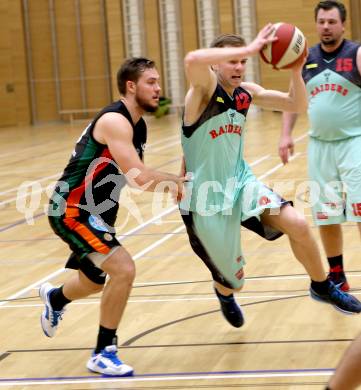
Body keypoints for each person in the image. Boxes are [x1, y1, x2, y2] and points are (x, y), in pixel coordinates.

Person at [179, 24, 361, 329]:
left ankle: (322, 284)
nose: (239, 66)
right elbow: (190, 60)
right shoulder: (202, 91)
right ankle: (224, 292)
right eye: (232, 60)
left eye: (243, 62)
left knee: (298, 224)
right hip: (206, 197)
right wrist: (249, 48)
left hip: (241, 183)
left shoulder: (245, 93)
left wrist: (295, 70)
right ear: (215, 64)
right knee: (234, 282)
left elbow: (297, 105)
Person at [39, 57, 185, 376]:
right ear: (131, 86)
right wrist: (179, 182)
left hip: (98, 213)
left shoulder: (138, 125)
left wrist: (174, 183)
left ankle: (55, 297)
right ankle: (103, 352)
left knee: (93, 281)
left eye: (158, 81)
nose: (159, 88)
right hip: (72, 210)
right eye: (151, 82)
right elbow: (139, 177)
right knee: (124, 269)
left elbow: (135, 177)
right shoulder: (115, 121)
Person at [279, 0, 361, 292]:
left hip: (355, 142)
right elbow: (291, 101)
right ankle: (337, 274)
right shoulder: (305, 58)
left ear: (343, 24)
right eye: (322, 22)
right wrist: (285, 134)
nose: (326, 27)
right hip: (320, 146)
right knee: (326, 212)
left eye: (331, 22)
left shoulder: (356, 54)